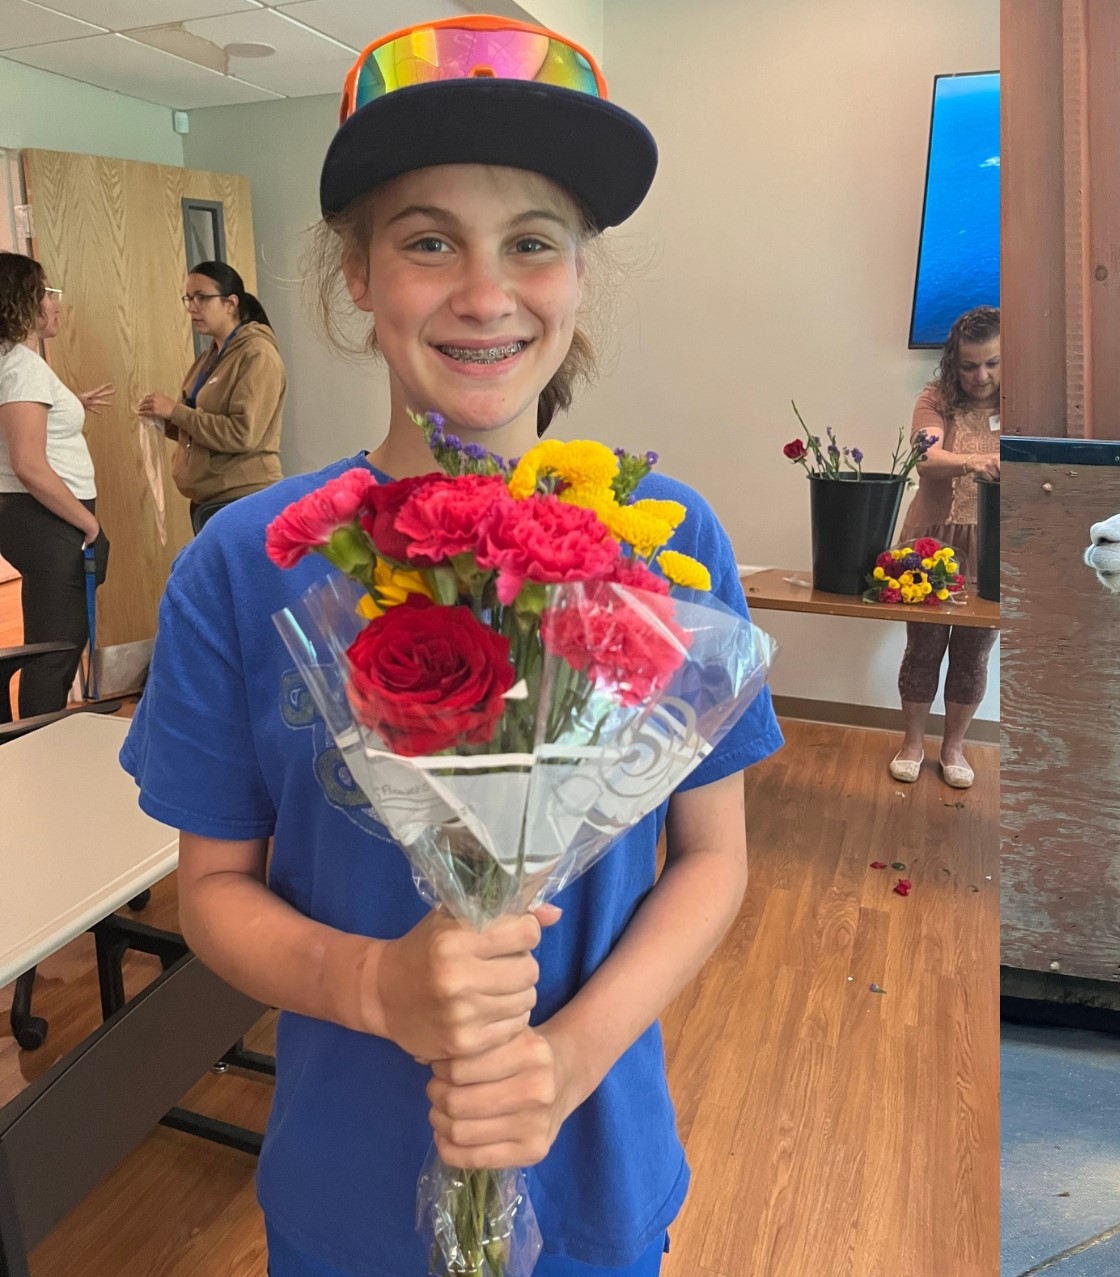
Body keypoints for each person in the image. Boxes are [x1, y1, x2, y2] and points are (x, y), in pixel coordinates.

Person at [116, 17, 783, 1276]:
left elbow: (711, 859)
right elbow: (211, 891)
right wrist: (379, 990)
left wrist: (562, 1060)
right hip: (348, 1187)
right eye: (428, 242)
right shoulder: (246, 565)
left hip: (590, 1165)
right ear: (357, 275)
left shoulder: (664, 539)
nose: (485, 293)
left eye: (532, 242)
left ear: (580, 273)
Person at [888, 305, 1000, 789]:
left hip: (993, 546)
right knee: (923, 648)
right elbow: (926, 456)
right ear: (953, 364)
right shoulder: (934, 399)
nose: (980, 375)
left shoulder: (1028, 400)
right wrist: (977, 461)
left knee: (973, 654)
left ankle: (953, 747)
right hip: (932, 542)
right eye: (969, 365)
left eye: (992, 363)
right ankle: (912, 743)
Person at [0, 253, 111, 718]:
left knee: (53, 641)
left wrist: (70, 403)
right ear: (26, 301)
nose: (55, 304)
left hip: (35, 519)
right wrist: (89, 524)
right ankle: (37, 745)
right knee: (57, 649)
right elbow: (29, 464)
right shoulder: (21, 367)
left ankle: (36, 739)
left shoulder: (16, 364)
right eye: (47, 293)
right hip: (48, 519)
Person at [135, 260, 286, 533]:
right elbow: (198, 429)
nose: (192, 307)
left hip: (241, 499)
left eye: (202, 298)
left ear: (230, 303)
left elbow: (242, 433)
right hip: (210, 502)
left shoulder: (257, 354)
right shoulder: (211, 356)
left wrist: (176, 412)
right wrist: (163, 418)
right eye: (189, 298)